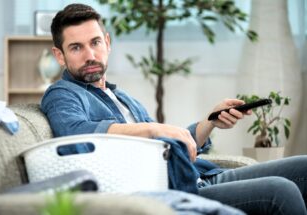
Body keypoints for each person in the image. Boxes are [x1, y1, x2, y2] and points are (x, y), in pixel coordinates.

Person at [41, 3, 307, 215]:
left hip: (201, 175)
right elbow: (76, 132)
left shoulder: (122, 97)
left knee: (304, 167)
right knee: (281, 191)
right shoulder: (62, 94)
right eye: (76, 47)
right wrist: (155, 127)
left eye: (95, 42)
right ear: (60, 55)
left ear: (107, 43)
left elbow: (172, 146)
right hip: (175, 190)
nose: (90, 55)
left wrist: (210, 121)